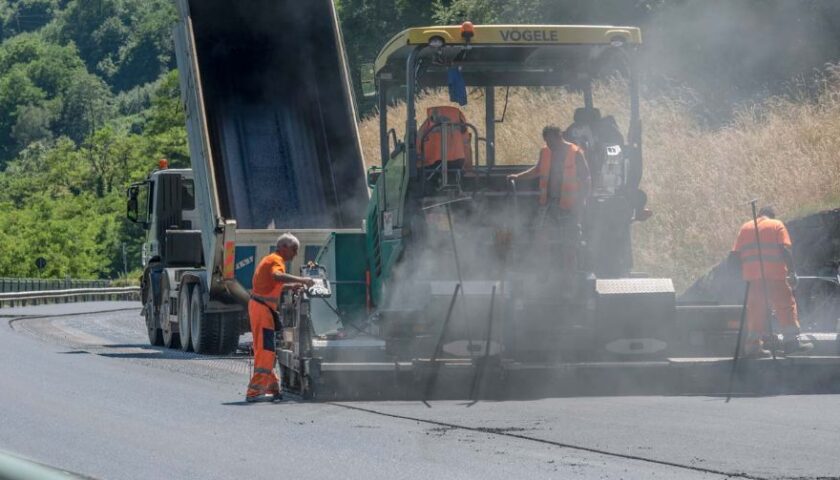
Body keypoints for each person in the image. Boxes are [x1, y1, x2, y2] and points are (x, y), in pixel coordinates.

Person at [731, 206, 812, 357]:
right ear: (771, 215)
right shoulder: (776, 225)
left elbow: (734, 255)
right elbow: (784, 250)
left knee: (756, 311)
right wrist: (792, 272)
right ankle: (791, 343)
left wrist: (740, 278)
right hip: (775, 276)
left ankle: (753, 348)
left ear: (760, 215)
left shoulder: (745, 227)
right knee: (785, 307)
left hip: (753, 279)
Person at [507, 126, 591, 270]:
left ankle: (570, 277)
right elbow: (537, 170)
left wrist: (582, 201)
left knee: (569, 244)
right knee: (541, 237)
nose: (549, 145)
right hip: (549, 204)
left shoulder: (575, 153)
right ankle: (544, 272)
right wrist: (518, 176)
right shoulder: (545, 152)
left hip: (570, 206)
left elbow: (586, 179)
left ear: (559, 137)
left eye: (551, 141)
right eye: (546, 141)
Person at [246, 233, 315, 403]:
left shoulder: (271, 259)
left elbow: (275, 284)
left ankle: (272, 388)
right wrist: (303, 280)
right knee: (265, 351)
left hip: (261, 308)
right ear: (284, 247)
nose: (295, 254)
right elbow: (277, 277)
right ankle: (254, 392)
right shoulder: (276, 260)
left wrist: (293, 286)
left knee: (266, 349)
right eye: (294, 249)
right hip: (262, 310)